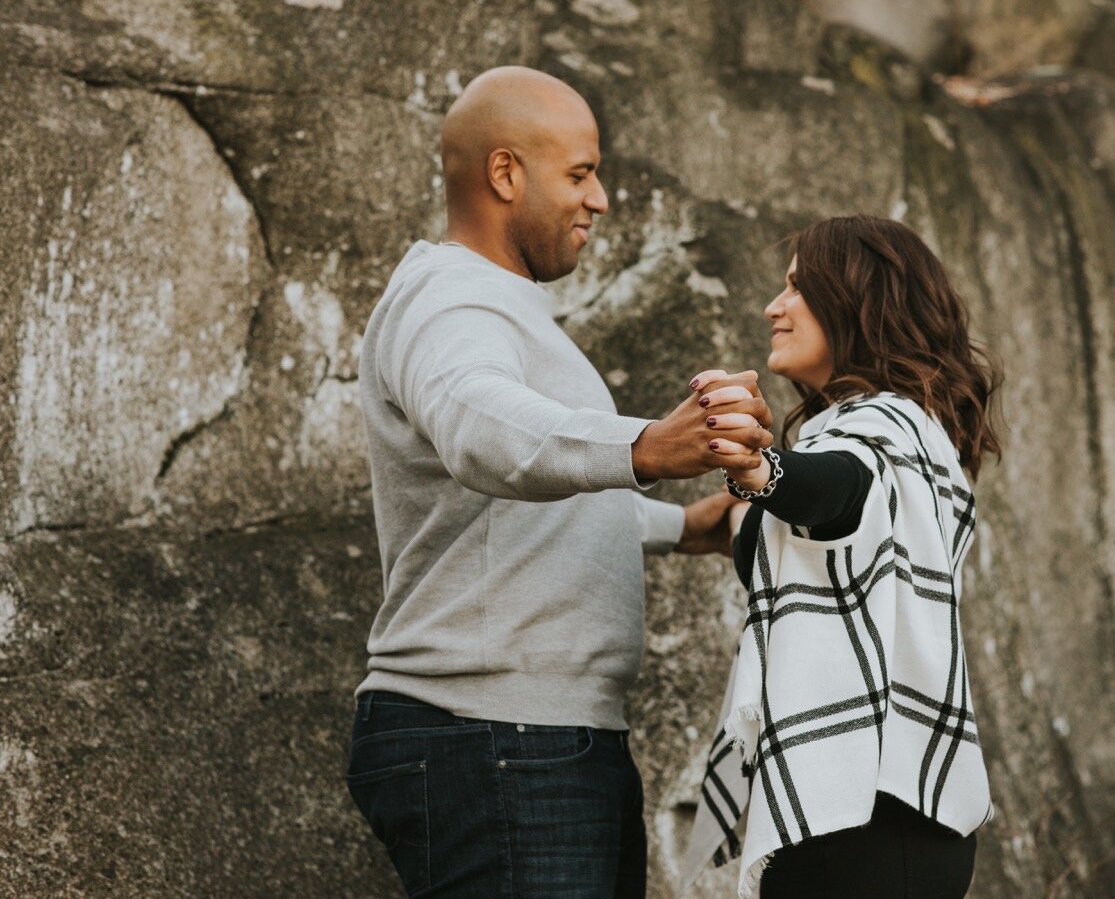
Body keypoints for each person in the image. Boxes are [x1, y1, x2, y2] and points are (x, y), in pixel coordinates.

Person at [346, 66, 773, 898]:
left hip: (534, 741)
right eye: (579, 173)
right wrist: (650, 445)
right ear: (506, 174)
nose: (602, 198)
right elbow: (483, 431)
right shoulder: (452, 303)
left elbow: (499, 506)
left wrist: (683, 527)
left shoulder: (490, 306)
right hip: (495, 739)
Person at [685, 215, 1003, 898]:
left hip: (866, 827)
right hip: (893, 818)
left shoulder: (881, 428)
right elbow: (829, 530)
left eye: (798, 287)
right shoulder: (910, 436)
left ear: (858, 301)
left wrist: (759, 469)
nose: (774, 306)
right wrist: (744, 514)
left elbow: (837, 490)